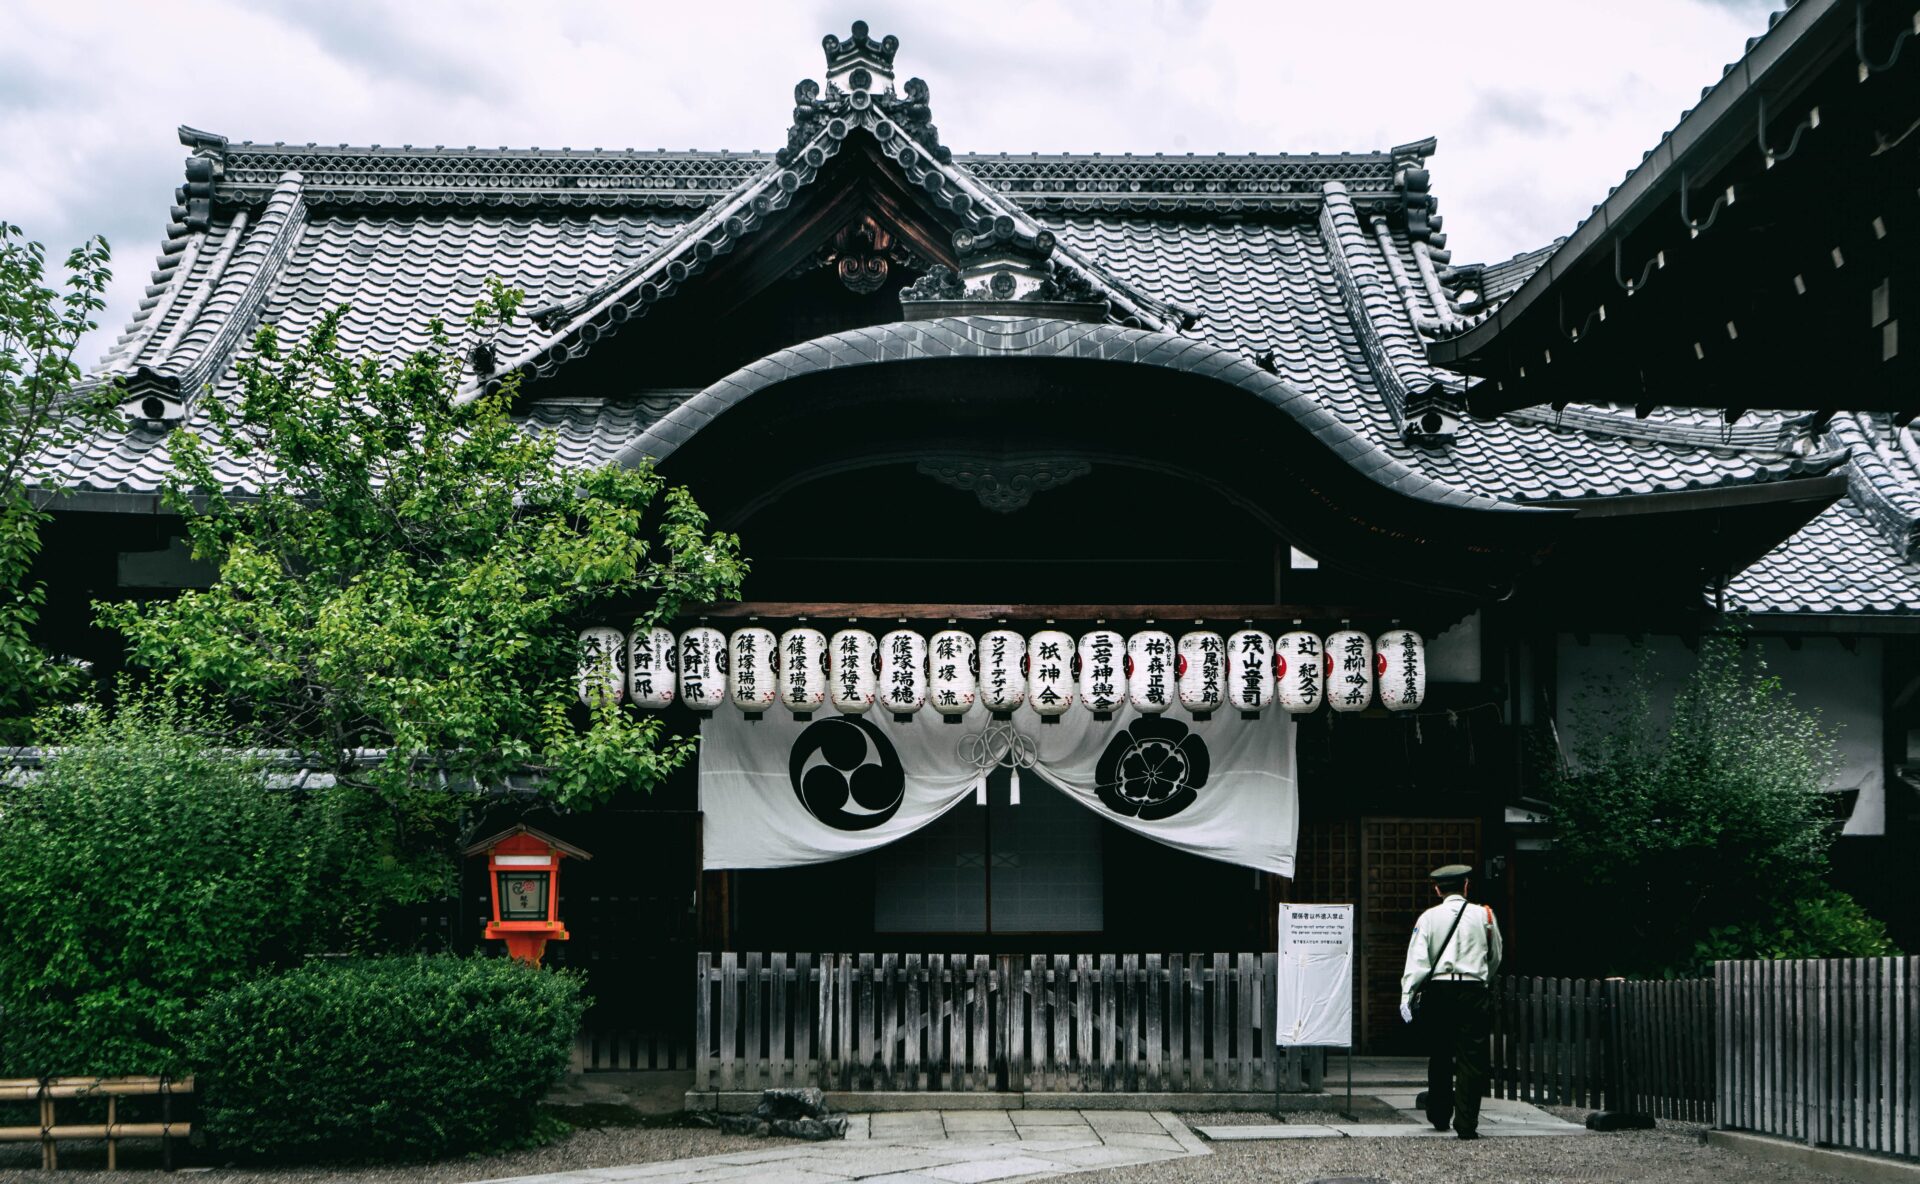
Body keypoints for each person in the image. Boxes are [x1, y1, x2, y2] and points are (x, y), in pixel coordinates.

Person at [1399, 863, 1503, 1139]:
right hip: (1473, 989)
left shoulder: (1429, 918)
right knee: (1472, 1058)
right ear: (1466, 886)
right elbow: (1495, 956)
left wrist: (1407, 994)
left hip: (1440, 990)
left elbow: (1418, 961)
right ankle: (1467, 1124)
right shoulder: (1485, 916)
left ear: (1437, 889)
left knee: (1440, 1052)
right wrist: (1482, 978)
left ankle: (1440, 1114)